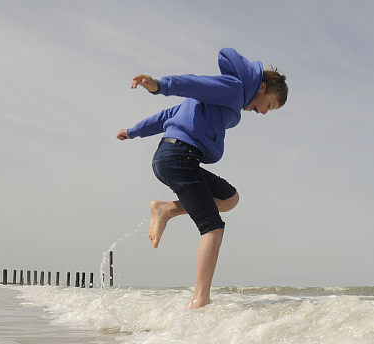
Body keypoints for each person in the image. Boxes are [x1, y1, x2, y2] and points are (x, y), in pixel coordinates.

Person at [116, 48, 288, 309]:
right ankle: (200, 300)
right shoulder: (232, 88)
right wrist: (160, 85)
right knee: (213, 228)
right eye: (270, 105)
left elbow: (167, 116)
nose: (264, 112)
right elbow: (195, 83)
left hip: (172, 157)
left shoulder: (226, 100)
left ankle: (166, 209)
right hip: (180, 156)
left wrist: (133, 131)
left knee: (229, 198)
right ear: (262, 87)